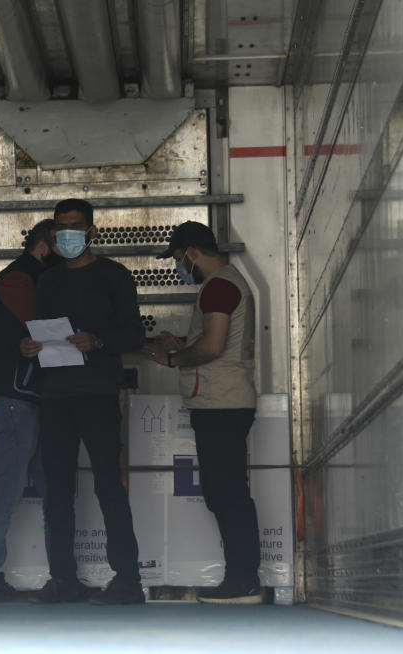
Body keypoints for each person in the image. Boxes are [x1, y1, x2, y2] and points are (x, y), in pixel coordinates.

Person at [20, 198, 147, 605]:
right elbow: (38, 331)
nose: (67, 234)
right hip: (55, 396)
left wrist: (99, 341)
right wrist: (28, 346)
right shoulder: (49, 281)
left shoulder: (115, 276)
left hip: (98, 393)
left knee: (109, 485)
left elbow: (134, 336)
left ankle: (127, 580)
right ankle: (63, 579)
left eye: (75, 226)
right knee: (56, 491)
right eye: (60, 228)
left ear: (93, 231)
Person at [143, 220, 262, 604]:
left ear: (193, 253)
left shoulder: (219, 287)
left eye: (178, 259)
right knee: (225, 492)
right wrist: (183, 343)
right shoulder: (226, 284)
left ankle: (243, 581)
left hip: (221, 404)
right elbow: (214, 341)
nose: (179, 267)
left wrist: (173, 356)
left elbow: (212, 348)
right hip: (223, 402)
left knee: (227, 494)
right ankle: (241, 578)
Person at [0, 218, 58, 602]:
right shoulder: (20, 279)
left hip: (22, 401)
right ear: (42, 247)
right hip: (11, 401)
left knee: (42, 495)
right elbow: (42, 329)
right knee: (5, 496)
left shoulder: (24, 278)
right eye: (61, 244)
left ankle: (54, 577)